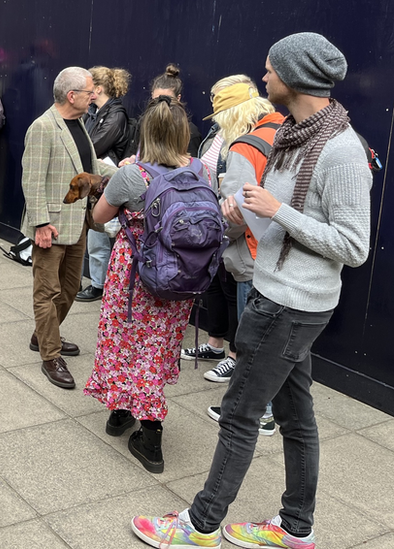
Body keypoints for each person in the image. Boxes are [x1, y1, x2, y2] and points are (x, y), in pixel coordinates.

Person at [133, 33, 372, 549]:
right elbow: (286, 224)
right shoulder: (295, 135)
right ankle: (295, 529)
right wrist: (245, 215)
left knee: (240, 413)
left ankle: (199, 526)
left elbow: (354, 247)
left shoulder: (340, 150)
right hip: (280, 294)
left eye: (270, 70)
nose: (263, 79)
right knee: (294, 416)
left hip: (289, 304)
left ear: (296, 77)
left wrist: (273, 211)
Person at [84, 96, 206, 474]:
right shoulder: (199, 170)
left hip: (135, 272)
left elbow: (98, 216)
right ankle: (133, 416)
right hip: (181, 275)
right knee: (156, 347)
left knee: (123, 340)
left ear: (145, 134)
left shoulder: (132, 175)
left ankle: (142, 430)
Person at [21, 67, 117, 390]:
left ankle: (42, 334)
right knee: (47, 292)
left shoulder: (77, 124)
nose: (95, 96)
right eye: (90, 91)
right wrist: (40, 223)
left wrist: (118, 171)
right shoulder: (43, 128)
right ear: (72, 96)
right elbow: (31, 180)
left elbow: (87, 167)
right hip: (52, 226)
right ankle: (50, 354)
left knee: (71, 288)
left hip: (77, 223)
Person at [203, 82, 285, 437]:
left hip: (253, 254)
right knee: (278, 341)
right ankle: (273, 409)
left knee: (251, 341)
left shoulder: (244, 146)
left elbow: (236, 214)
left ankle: (253, 413)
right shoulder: (284, 128)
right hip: (288, 250)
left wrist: (214, 240)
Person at [180, 76, 259, 367]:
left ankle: (234, 354)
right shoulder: (219, 130)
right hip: (211, 216)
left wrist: (223, 229)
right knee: (213, 284)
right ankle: (214, 343)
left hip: (231, 226)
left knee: (232, 288)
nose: (214, 108)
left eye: (218, 101)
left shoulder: (247, 136)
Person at [77, 66, 131, 304]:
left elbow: (91, 147)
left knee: (100, 235)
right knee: (95, 235)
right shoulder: (94, 112)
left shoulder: (116, 115)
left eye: (88, 88)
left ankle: (100, 284)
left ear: (97, 89)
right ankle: (98, 281)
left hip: (108, 181)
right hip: (98, 182)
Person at [123, 64, 203, 159]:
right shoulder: (144, 122)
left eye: (167, 100)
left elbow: (190, 163)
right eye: (156, 100)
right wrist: (130, 160)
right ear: (151, 96)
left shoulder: (190, 131)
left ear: (178, 98)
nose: (160, 104)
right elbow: (133, 151)